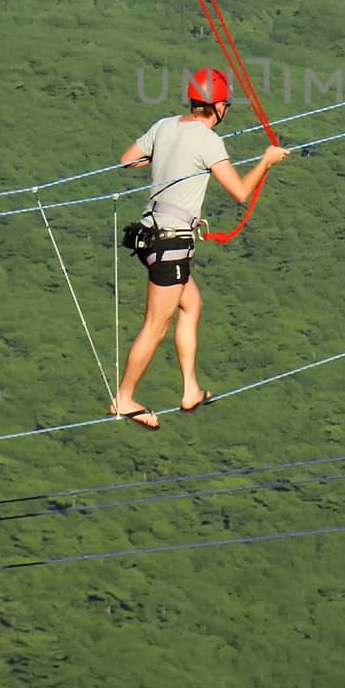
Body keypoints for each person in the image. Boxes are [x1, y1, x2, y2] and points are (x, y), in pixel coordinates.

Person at [111, 68, 288, 427]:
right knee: (155, 326)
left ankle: (190, 388)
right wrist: (266, 162)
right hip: (170, 243)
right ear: (219, 106)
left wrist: (165, 158)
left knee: (191, 304)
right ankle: (124, 398)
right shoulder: (208, 141)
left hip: (151, 235)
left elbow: (127, 160)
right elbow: (239, 192)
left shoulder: (164, 126)